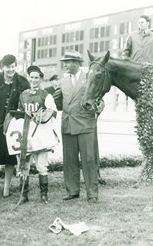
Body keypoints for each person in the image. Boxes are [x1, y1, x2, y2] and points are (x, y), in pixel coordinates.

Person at [53, 50, 102, 203]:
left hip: (85, 124)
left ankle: (92, 193)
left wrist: (98, 108)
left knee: (88, 160)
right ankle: (72, 191)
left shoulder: (89, 77)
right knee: (69, 160)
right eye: (64, 62)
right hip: (67, 125)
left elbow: (99, 98)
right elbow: (57, 102)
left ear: (76, 63)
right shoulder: (62, 82)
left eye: (67, 61)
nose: (65, 64)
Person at [0, 54, 29, 199]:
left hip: (13, 123)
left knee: (10, 156)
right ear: (3, 66)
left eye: (14, 66)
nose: (11, 69)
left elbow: (26, 100)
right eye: (8, 67)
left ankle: (6, 188)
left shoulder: (21, 81)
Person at [14, 65, 58, 204]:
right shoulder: (24, 94)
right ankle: (24, 195)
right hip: (27, 133)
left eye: (36, 78)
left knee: (41, 165)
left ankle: (44, 195)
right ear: (28, 78)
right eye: (31, 77)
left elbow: (52, 112)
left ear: (40, 79)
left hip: (41, 134)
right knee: (24, 165)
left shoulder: (46, 95)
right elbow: (19, 113)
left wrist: (40, 114)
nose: (33, 80)